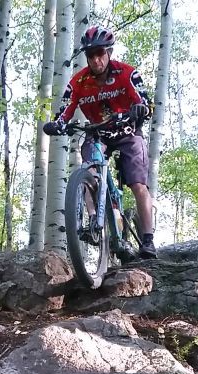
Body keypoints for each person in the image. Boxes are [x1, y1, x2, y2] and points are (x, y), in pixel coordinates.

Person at [43, 25, 158, 259]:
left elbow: (147, 104)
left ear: (109, 53)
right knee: (90, 172)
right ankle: (95, 221)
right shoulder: (79, 81)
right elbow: (65, 110)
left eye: (100, 54)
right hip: (97, 134)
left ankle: (148, 240)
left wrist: (141, 109)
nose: (95, 60)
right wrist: (57, 123)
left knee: (138, 184)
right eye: (90, 55)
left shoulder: (127, 73)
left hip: (128, 132)